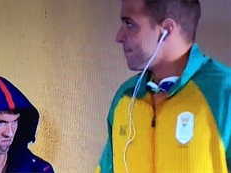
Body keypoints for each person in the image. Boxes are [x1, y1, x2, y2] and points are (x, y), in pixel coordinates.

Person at [96, 0, 231, 172]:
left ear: (166, 29)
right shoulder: (126, 97)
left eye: (129, 24)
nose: (119, 36)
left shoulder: (224, 93)